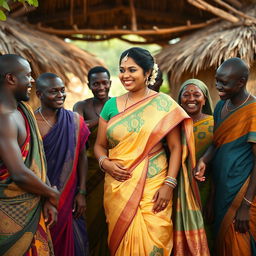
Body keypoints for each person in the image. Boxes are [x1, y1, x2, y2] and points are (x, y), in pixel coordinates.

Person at [94, 47, 210, 256]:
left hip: (154, 186)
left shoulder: (163, 104)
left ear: (147, 73)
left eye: (132, 70)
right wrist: (105, 163)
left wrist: (169, 184)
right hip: (117, 186)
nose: (125, 75)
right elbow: (99, 145)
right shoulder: (111, 105)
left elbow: (176, 148)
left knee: (154, 239)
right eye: (122, 70)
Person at [195, 58, 256, 255]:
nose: (218, 86)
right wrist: (204, 159)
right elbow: (217, 144)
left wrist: (246, 205)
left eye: (224, 82)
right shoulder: (221, 107)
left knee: (241, 245)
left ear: (241, 82)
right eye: (217, 80)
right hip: (222, 189)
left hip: (243, 193)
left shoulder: (254, 111)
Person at [0, 54, 59, 255]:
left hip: (34, 205)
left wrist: (45, 196)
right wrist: (52, 194)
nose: (32, 81)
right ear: (11, 78)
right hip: (9, 212)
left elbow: (37, 161)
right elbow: (19, 173)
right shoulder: (4, 119)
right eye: (27, 75)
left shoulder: (23, 110)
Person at [35, 73, 90, 256]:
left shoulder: (74, 121)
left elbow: (82, 156)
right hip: (40, 196)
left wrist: (81, 191)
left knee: (76, 246)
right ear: (39, 94)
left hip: (70, 197)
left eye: (62, 90)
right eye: (53, 91)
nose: (60, 95)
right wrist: (45, 196)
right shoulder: (31, 124)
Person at [73, 66, 111, 256]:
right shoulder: (82, 106)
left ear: (110, 83)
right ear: (89, 85)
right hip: (87, 170)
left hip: (112, 171)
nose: (101, 87)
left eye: (104, 82)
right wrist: (105, 118)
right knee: (89, 218)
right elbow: (79, 128)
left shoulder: (119, 104)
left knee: (109, 219)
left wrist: (95, 121)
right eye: (96, 83)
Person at [178, 79, 214, 252]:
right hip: (178, 192)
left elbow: (218, 162)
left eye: (196, 94)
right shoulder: (173, 126)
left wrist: (213, 198)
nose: (191, 99)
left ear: (205, 99)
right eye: (186, 95)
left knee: (207, 233)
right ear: (179, 99)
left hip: (207, 189)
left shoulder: (213, 125)